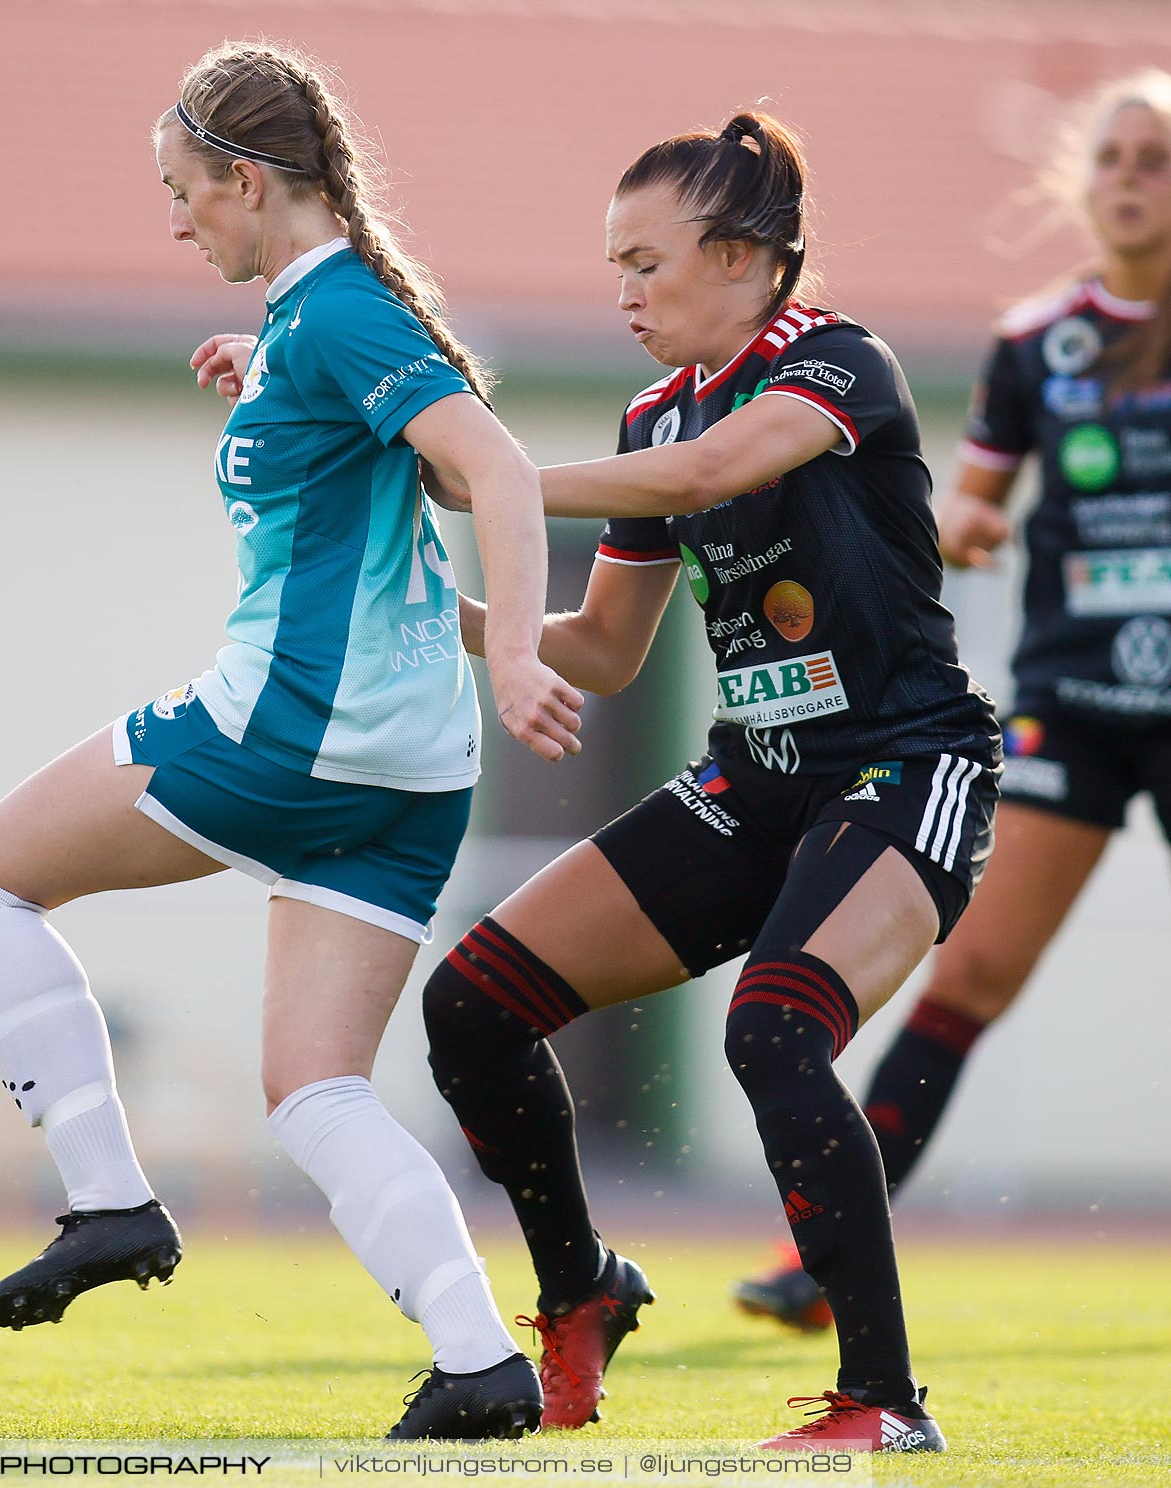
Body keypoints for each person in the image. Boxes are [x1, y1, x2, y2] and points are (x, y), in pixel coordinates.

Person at [0, 41, 581, 1440]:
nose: (177, 220)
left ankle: (108, 1201)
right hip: (413, 772)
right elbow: (373, 501)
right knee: (317, 1085)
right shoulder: (317, 325)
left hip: (291, 730)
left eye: (185, 191)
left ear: (250, 179)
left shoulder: (337, 317)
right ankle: (478, 1365)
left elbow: (501, 468)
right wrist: (265, 368)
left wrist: (518, 646)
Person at [410, 113, 1002, 1452]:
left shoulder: (835, 365)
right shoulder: (651, 412)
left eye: (643, 263)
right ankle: (582, 1294)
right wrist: (434, 604)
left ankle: (885, 1405)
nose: (620, 293)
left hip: (908, 772)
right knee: (473, 1006)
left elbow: (713, 472)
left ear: (741, 259)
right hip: (758, 783)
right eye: (612, 265)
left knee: (773, 1030)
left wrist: (485, 479)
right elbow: (604, 653)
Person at [734, 70, 1171, 1337]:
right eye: (1116, 159)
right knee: (972, 969)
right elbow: (972, 499)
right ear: (1082, 186)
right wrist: (972, 522)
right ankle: (822, 1259)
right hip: (1073, 700)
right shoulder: (1040, 342)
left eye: (1157, 159)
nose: (1134, 179)